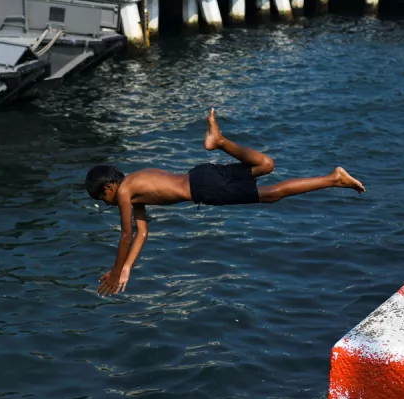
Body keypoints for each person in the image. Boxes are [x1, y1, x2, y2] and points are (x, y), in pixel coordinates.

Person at [85, 108, 365, 294]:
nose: (106, 203)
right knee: (266, 165)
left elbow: (126, 235)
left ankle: (334, 179)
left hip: (205, 190)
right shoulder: (135, 183)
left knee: (272, 194)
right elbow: (142, 232)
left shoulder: (123, 193)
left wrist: (114, 270)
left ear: (110, 186)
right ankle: (219, 141)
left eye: (102, 196)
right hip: (201, 175)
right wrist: (129, 268)